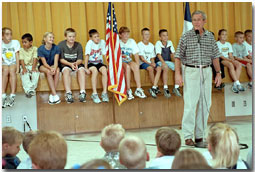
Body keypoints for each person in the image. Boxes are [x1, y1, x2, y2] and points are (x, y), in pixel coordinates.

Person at [175, 10, 222, 146]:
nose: (196, 22)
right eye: (194, 20)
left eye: (198, 20)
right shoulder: (186, 36)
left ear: (204, 21)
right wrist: (178, 74)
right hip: (191, 71)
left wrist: (218, 73)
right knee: (190, 104)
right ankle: (188, 136)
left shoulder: (210, 37)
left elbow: (215, 56)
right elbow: (178, 56)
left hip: (207, 71)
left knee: (206, 103)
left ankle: (200, 135)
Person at [59, 28, 86, 103]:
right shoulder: (61, 45)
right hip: (66, 64)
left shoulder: (78, 45)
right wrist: (70, 64)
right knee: (66, 71)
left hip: (76, 63)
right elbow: (61, 59)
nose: (72, 38)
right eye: (70, 36)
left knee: (81, 70)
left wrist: (75, 64)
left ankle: (82, 92)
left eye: (73, 36)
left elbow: (80, 59)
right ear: (65, 37)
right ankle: (68, 93)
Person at [119, 26, 146, 100]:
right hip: (121, 61)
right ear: (120, 35)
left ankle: (138, 89)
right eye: (124, 34)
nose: (126, 35)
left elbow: (136, 54)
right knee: (127, 68)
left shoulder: (132, 41)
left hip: (129, 60)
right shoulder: (118, 42)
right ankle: (128, 90)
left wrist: (137, 65)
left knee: (135, 66)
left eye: (127, 34)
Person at [155, 29, 182, 98]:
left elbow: (173, 54)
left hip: (168, 61)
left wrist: (177, 63)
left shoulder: (170, 42)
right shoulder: (158, 43)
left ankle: (176, 87)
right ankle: (165, 88)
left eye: (166, 35)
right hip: (160, 61)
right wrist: (163, 63)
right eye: (163, 36)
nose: (166, 37)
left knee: (178, 67)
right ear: (160, 37)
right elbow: (158, 55)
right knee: (166, 67)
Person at [84, 29, 109, 103]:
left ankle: (104, 92)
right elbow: (87, 55)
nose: (97, 38)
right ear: (91, 38)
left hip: (99, 62)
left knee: (104, 70)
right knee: (94, 71)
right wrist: (86, 68)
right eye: (95, 37)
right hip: (91, 63)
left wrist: (108, 65)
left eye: (98, 36)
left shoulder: (102, 42)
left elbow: (104, 54)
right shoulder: (89, 43)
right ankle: (94, 93)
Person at [138, 28, 162, 98]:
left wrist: (153, 62)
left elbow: (152, 57)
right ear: (142, 35)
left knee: (159, 68)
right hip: (142, 63)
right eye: (145, 34)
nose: (147, 36)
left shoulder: (151, 45)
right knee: (150, 68)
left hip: (150, 63)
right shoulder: (139, 44)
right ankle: (155, 87)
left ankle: (154, 87)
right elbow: (142, 58)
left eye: (148, 34)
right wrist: (151, 64)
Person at [38, 32, 61, 104]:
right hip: (44, 66)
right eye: (50, 37)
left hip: (53, 65)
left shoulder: (56, 47)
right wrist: (50, 69)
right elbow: (44, 63)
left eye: (53, 37)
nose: (52, 39)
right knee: (48, 72)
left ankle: (52, 95)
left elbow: (56, 61)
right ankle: (54, 94)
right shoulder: (40, 49)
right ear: (45, 39)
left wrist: (54, 68)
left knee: (57, 71)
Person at [2, 27, 20, 108]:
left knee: (12, 70)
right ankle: (3, 95)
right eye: (7, 34)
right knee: (5, 70)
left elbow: (17, 55)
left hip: (13, 62)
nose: (10, 36)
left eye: (10, 34)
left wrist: (18, 67)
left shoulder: (15, 42)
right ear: (2, 36)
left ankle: (12, 95)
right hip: (4, 63)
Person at [19, 33, 40, 98]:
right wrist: (24, 68)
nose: (23, 44)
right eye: (22, 42)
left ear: (31, 42)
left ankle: (30, 90)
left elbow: (35, 58)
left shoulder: (34, 48)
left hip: (33, 65)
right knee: (24, 74)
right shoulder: (21, 50)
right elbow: (21, 59)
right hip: (24, 65)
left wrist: (33, 67)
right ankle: (29, 90)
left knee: (35, 74)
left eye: (25, 42)